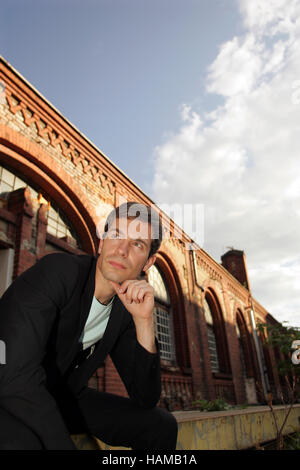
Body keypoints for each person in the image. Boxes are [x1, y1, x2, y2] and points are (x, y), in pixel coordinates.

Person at [0, 201, 178, 450]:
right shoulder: (58, 272)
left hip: (63, 398)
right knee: (25, 441)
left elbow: (145, 397)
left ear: (148, 262)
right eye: (116, 235)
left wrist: (144, 322)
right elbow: (13, 373)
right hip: (10, 390)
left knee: (161, 425)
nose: (122, 250)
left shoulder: (124, 310)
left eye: (137, 244)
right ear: (102, 242)